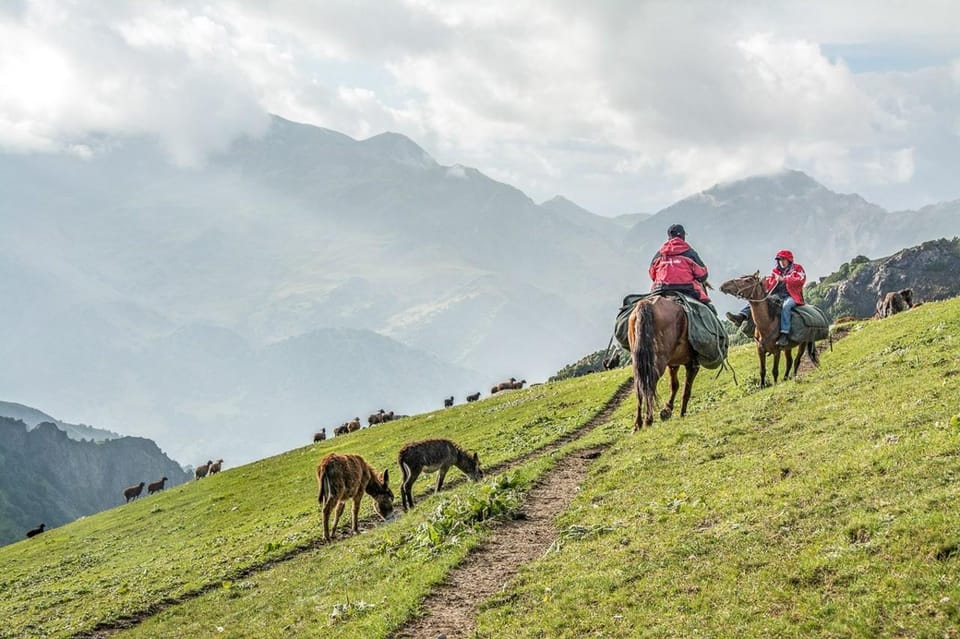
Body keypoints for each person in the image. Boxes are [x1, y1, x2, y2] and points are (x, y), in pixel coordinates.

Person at [726, 249, 807, 346]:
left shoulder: (797, 268)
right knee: (757, 301)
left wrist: (784, 279)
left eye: (784, 260)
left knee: (786, 307)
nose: (781, 262)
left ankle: (784, 334)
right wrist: (762, 284)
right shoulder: (775, 271)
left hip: (791, 296)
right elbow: (770, 283)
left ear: (789, 260)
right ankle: (741, 316)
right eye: (780, 260)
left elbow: (801, 279)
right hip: (776, 296)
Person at [649, 224, 716, 314]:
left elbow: (652, 273)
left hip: (660, 289)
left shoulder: (659, 254)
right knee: (709, 311)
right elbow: (703, 275)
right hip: (687, 289)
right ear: (683, 236)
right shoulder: (689, 253)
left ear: (669, 237)